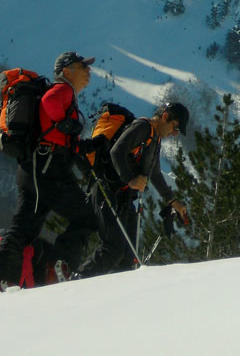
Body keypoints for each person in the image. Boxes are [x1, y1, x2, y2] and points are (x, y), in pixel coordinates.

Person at [0, 51, 98, 288]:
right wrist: (62, 123)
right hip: (47, 170)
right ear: (66, 71)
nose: (88, 71)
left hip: (33, 169)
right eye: (82, 66)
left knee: (24, 229)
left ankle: (6, 279)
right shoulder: (62, 89)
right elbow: (49, 103)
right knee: (87, 218)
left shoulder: (65, 91)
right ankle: (60, 265)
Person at [78, 102, 189, 277]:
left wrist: (173, 201)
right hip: (106, 189)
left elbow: (154, 172)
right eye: (175, 127)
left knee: (128, 257)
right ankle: (77, 282)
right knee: (112, 248)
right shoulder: (142, 127)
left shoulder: (155, 138)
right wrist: (130, 179)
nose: (175, 134)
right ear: (165, 117)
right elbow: (116, 152)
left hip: (122, 196)